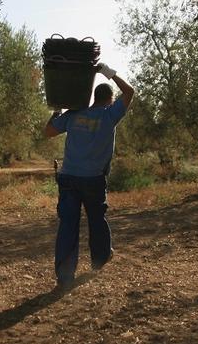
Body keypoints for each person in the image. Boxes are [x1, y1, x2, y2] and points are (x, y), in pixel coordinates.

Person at [43, 62, 134, 289]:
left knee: (68, 225)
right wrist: (108, 72)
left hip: (69, 178)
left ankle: (65, 277)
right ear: (110, 99)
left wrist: (57, 108)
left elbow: (48, 131)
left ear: (93, 97)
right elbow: (130, 92)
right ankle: (100, 259)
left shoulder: (74, 114)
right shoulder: (110, 114)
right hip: (93, 179)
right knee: (96, 220)